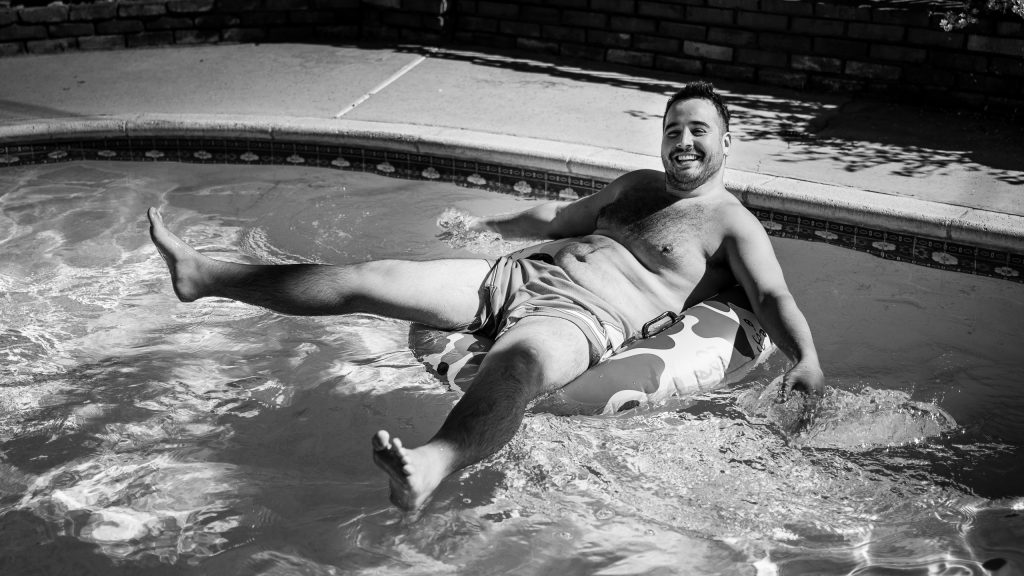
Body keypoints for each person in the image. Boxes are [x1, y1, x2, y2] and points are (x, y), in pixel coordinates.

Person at [147, 81, 824, 513]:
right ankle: (204, 276)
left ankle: (429, 466)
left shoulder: (729, 222)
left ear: (727, 143)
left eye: (698, 129)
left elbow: (771, 295)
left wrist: (806, 358)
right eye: (674, 128)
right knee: (371, 277)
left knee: (517, 368)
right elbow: (555, 223)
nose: (683, 140)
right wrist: (485, 227)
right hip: (518, 276)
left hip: (584, 317)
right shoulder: (636, 185)